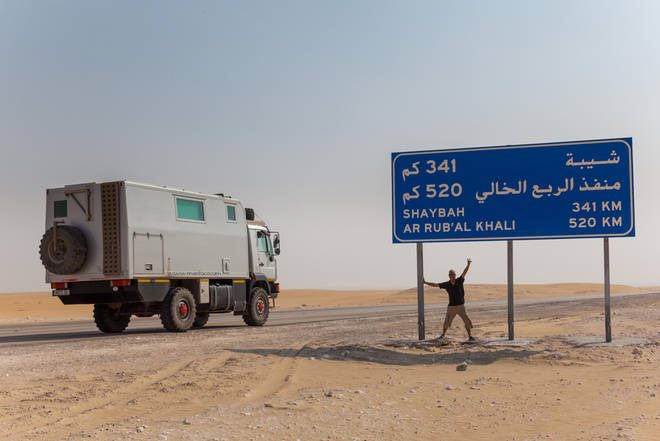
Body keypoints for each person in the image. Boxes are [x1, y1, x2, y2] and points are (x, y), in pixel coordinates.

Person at [423, 258, 475, 342]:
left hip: (461, 306)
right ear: (449, 276)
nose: (452, 275)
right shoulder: (447, 284)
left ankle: (470, 336)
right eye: (450, 274)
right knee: (447, 321)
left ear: (455, 275)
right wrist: (426, 282)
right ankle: (443, 335)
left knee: (466, 321)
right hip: (451, 307)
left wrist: (468, 265)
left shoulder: (459, 281)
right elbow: (436, 285)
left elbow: (464, 272)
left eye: (453, 274)